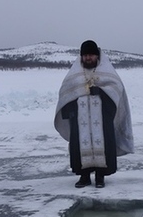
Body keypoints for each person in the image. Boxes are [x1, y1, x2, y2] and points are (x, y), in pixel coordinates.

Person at [54, 40, 134, 188]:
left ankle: (100, 177)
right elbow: (66, 92)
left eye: (91, 55)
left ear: (97, 56)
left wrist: (102, 92)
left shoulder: (107, 73)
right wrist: (69, 111)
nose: (88, 58)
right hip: (80, 119)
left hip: (102, 118)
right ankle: (84, 177)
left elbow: (117, 92)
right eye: (85, 55)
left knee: (103, 145)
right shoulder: (75, 73)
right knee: (79, 146)